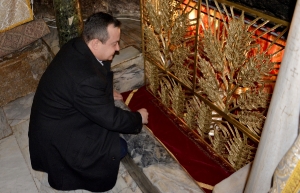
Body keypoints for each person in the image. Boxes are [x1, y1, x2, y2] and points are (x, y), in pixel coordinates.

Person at [28, 12, 148, 192]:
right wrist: (138, 118)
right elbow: (111, 119)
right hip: (59, 139)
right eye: (114, 43)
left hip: (57, 123)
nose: (118, 49)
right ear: (95, 43)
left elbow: (91, 81)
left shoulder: (77, 45)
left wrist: (104, 93)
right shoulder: (85, 81)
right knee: (118, 149)